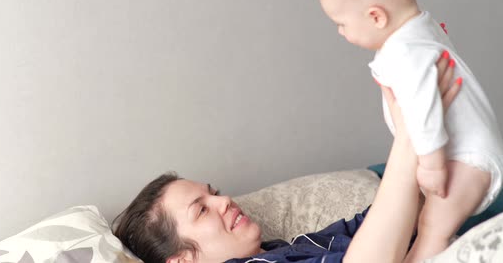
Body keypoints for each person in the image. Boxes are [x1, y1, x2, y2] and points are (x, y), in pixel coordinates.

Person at [112, 56, 461, 263]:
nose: (224, 200)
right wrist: (410, 133)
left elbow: (372, 223)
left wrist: (429, 150)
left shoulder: (292, 248)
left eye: (213, 193)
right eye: (201, 209)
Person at [318, 0, 503, 262]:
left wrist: (433, 165)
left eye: (342, 24)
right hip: (471, 155)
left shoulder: (404, 52)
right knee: (432, 228)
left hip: (466, 160)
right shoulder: (421, 29)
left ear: (376, 16)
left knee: (433, 227)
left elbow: (424, 108)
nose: (340, 32)